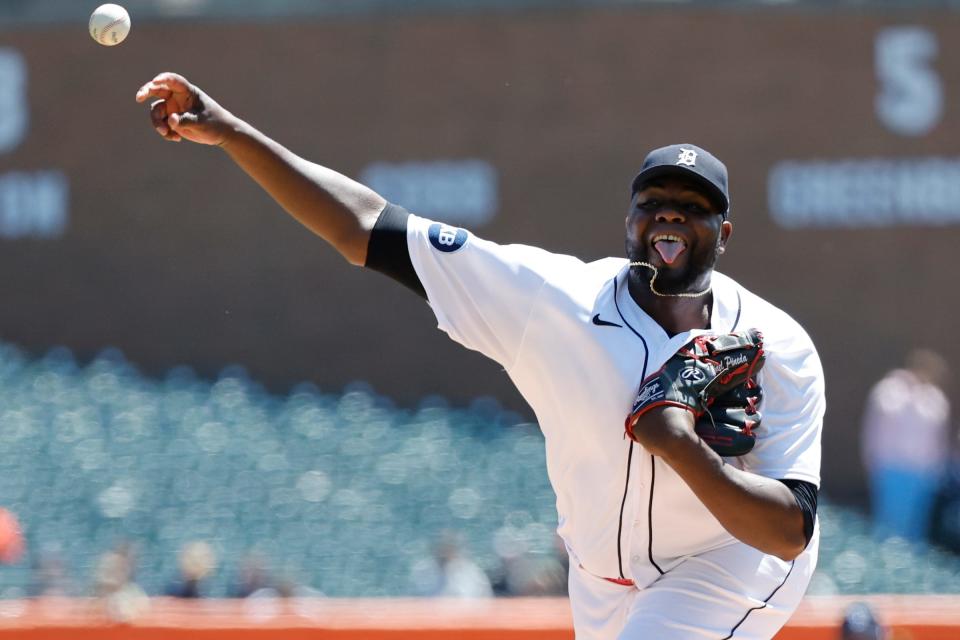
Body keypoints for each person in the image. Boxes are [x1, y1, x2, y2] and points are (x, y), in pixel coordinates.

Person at [136, 73, 824, 639]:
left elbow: (789, 531)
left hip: (730, 561)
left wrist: (676, 442)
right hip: (600, 576)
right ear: (629, 222)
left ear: (723, 232)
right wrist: (228, 130)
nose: (671, 215)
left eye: (694, 207)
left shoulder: (778, 345)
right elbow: (366, 226)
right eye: (656, 202)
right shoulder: (553, 300)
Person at [861, 349, 950, 542]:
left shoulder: (934, 397)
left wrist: (936, 468)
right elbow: (878, 422)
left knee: (914, 527)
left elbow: (938, 435)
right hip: (891, 465)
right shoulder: (891, 389)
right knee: (889, 522)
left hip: (922, 471)